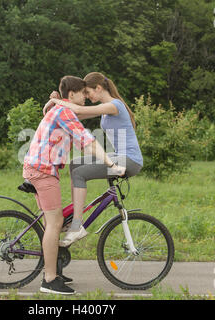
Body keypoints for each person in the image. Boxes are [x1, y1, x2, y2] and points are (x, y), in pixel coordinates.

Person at [22, 75, 126, 295]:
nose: (86, 96)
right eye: (82, 93)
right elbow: (88, 143)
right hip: (42, 171)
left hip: (40, 169)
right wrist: (111, 164)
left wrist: (53, 99)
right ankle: (49, 280)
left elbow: (51, 111)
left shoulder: (59, 110)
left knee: (57, 221)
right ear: (72, 95)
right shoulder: (65, 113)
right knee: (55, 222)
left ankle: (54, 268)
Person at [43, 72, 143, 247]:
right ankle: (75, 215)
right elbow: (74, 116)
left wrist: (57, 102)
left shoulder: (114, 105)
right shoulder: (105, 109)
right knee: (75, 164)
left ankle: (76, 226)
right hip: (120, 156)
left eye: (88, 92)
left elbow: (80, 110)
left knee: (80, 173)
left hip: (130, 160)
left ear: (98, 88)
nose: (87, 97)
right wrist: (57, 102)